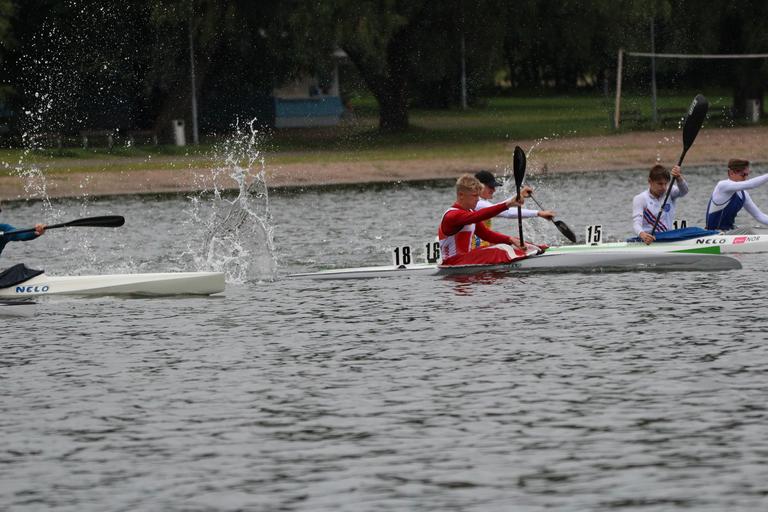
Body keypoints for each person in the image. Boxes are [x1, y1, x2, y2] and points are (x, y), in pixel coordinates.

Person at [438, 174, 543, 266]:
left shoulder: (469, 212)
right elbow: (478, 216)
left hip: (465, 259)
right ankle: (528, 256)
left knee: (508, 244)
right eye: (474, 196)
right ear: (461, 195)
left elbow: (486, 235)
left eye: (478, 196)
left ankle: (536, 249)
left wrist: (510, 239)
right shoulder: (452, 216)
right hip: (453, 262)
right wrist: (508, 204)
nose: (478, 199)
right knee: (499, 250)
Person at [473, 170, 556, 248]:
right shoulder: (477, 204)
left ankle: (537, 248)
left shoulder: (481, 203)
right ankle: (537, 249)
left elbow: (501, 207)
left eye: (494, 187)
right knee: (513, 242)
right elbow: (506, 212)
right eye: (491, 187)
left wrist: (519, 195)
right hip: (476, 252)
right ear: (478, 186)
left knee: (515, 241)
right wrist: (538, 213)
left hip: (482, 247)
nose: (494, 190)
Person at [705, 158, 768, 232]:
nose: (745, 178)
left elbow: (759, 216)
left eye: (747, 174)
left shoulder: (743, 194)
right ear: (731, 173)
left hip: (728, 232)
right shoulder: (722, 186)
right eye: (743, 175)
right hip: (713, 233)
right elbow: (751, 184)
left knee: (755, 229)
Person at [632, 164, 687, 244]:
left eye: (666, 183)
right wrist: (642, 234)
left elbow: (684, 191)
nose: (664, 187)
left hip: (668, 237)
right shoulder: (640, 199)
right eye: (660, 184)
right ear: (650, 181)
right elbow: (636, 223)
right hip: (650, 240)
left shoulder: (670, 191)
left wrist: (679, 177)